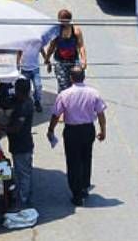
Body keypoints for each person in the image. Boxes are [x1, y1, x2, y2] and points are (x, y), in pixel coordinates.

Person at [46, 67, 107, 206]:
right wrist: (103, 130)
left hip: (72, 131)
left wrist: (51, 130)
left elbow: (56, 115)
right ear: (83, 77)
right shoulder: (94, 93)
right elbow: (101, 114)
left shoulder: (64, 94)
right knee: (86, 158)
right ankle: (84, 186)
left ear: (71, 78)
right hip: (88, 130)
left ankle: (77, 193)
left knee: (73, 161)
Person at [3, 78, 34, 209]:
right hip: (17, 144)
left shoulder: (26, 106)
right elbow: (7, 103)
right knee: (19, 172)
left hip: (23, 145)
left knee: (23, 174)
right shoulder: (19, 102)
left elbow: (15, 128)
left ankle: (23, 200)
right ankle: (20, 196)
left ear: (21, 92)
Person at [44, 9, 86, 92]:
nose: (61, 23)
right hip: (60, 60)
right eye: (60, 21)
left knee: (77, 82)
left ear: (68, 20)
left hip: (73, 59)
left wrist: (84, 60)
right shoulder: (57, 31)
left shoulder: (76, 31)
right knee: (63, 85)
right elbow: (52, 47)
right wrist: (47, 59)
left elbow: (81, 46)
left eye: (63, 21)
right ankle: (63, 100)